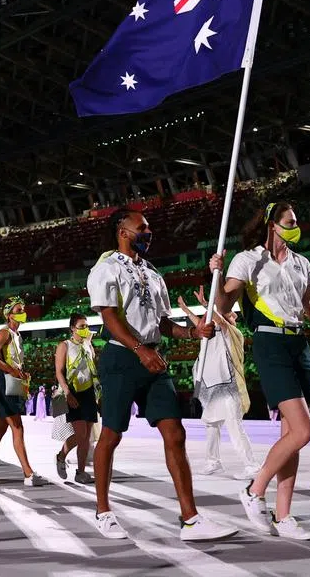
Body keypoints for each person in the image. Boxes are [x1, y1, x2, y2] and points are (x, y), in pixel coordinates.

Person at [212, 201, 310, 540]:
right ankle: (254, 488)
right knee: (303, 432)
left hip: (299, 345)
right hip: (269, 343)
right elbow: (223, 306)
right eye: (290, 221)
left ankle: (284, 516)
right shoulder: (248, 259)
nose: (296, 226)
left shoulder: (301, 263)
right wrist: (217, 276)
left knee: (290, 436)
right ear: (271, 224)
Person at [87, 209, 234, 542]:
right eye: (143, 227)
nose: (148, 232)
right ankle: (103, 511)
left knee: (175, 433)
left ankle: (191, 519)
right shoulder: (105, 268)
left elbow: (164, 323)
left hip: (154, 357)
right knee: (111, 435)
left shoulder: (152, 273)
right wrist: (140, 350)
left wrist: (193, 333)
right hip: (122, 358)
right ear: (123, 231)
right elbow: (109, 317)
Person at [179, 287, 258, 480]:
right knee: (211, 425)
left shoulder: (233, 332)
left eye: (228, 313)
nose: (221, 317)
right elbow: (201, 324)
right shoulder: (210, 335)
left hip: (228, 387)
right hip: (211, 387)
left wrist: (206, 304)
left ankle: (252, 465)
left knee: (233, 425)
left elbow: (220, 322)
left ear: (233, 318)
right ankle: (213, 461)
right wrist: (186, 310)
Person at [0, 297, 46, 488]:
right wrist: (10, 370)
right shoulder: (4, 333)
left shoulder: (16, 335)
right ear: (8, 314)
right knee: (17, 428)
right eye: (18, 310)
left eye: (23, 308)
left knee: (0, 429)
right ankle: (28, 473)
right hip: (4, 385)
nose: (23, 312)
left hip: (11, 383)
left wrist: (20, 371)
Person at [53, 313, 98, 484]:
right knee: (80, 433)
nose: (85, 329)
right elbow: (59, 371)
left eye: (86, 326)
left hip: (88, 392)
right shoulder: (64, 345)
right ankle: (61, 456)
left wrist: (89, 343)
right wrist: (67, 392)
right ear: (72, 328)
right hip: (72, 391)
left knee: (86, 436)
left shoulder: (87, 345)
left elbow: (92, 367)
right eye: (81, 326)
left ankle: (80, 472)